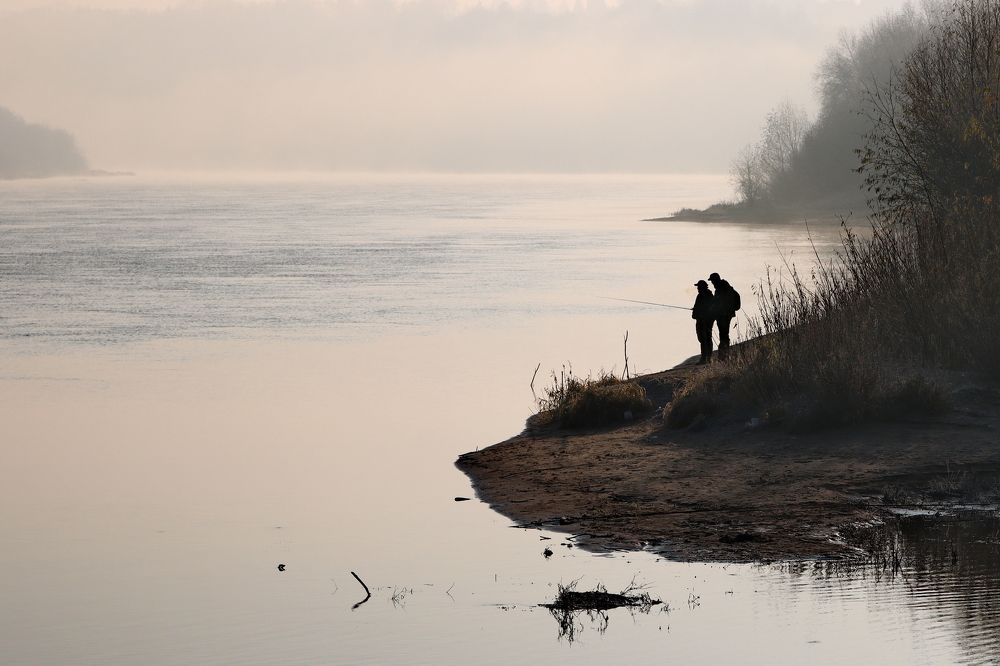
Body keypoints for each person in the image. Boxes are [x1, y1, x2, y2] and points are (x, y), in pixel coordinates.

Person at [708, 272, 740, 360]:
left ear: (715, 280)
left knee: (723, 335)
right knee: (724, 334)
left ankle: (723, 356)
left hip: (723, 315)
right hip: (726, 314)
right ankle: (724, 355)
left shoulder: (721, 289)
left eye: (712, 281)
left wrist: (712, 309)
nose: (712, 283)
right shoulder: (725, 287)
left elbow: (718, 303)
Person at [692, 279, 715, 364]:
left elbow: (711, 309)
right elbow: (696, 307)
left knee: (707, 338)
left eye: (698, 287)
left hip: (707, 321)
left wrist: (701, 314)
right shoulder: (700, 296)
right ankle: (705, 358)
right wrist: (695, 314)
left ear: (702, 287)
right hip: (700, 320)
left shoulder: (708, 296)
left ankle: (706, 358)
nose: (697, 288)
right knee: (702, 338)